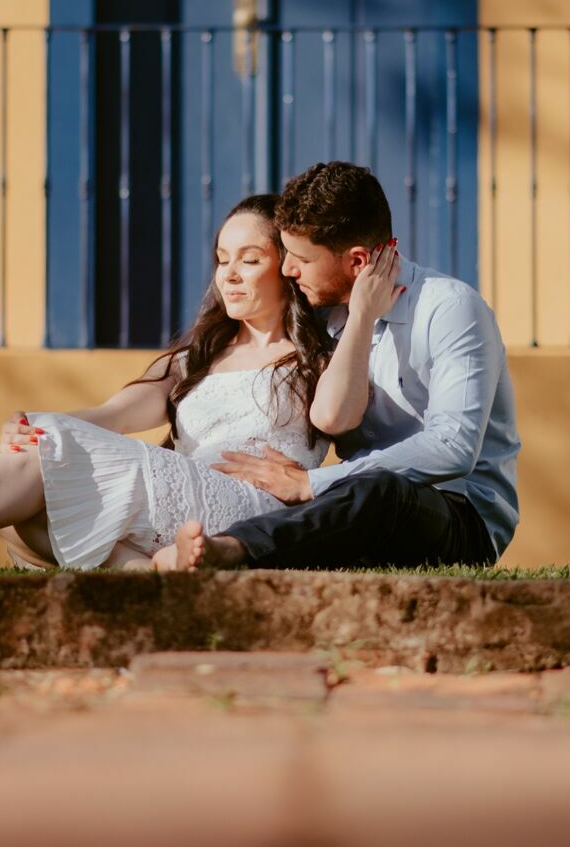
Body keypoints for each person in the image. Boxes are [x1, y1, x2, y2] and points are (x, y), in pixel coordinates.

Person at [0, 194, 361, 571]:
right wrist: (40, 427)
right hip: (179, 495)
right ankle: (141, 575)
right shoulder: (199, 353)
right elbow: (117, 414)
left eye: (249, 258)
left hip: (248, 512)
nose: (229, 274)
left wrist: (360, 316)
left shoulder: (321, 357)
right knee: (19, 513)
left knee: (37, 478)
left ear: (286, 266)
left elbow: (340, 419)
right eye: (221, 259)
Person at [159, 161, 520, 572]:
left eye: (301, 259)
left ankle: (234, 550)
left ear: (358, 261)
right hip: (351, 500)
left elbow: (452, 449)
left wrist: (311, 483)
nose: (288, 270)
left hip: (458, 514)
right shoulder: (322, 317)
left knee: (381, 490)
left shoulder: (449, 308)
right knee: (355, 491)